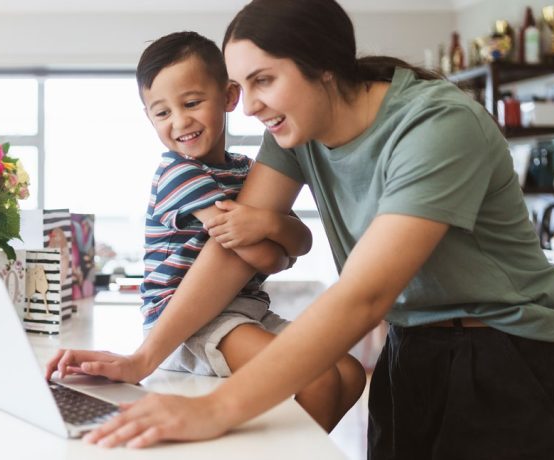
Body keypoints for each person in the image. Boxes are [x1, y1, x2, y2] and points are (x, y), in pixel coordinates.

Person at [56, 2, 554, 457]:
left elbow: (364, 295)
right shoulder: (292, 131)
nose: (250, 107)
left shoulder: (437, 124)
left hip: (512, 359)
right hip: (410, 353)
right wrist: (143, 357)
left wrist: (214, 409)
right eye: (243, 86)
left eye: (264, 80)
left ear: (324, 67)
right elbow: (236, 250)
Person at [46, 31, 366, 432]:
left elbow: (303, 241)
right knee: (318, 379)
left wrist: (266, 225)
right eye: (162, 113)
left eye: (192, 103)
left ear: (229, 97)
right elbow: (270, 257)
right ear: (148, 117)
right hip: (188, 325)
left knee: (350, 372)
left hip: (246, 313)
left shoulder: (247, 170)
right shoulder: (178, 173)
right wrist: (276, 244)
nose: (180, 122)